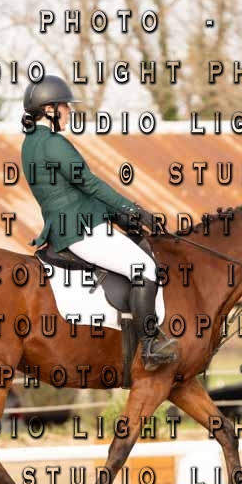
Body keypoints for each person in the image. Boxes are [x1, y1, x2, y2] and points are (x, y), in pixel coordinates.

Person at [21, 75, 177, 370]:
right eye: (65, 106)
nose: (69, 111)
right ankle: (150, 345)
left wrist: (119, 216)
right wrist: (133, 209)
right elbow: (89, 184)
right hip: (81, 230)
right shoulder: (53, 143)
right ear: (50, 109)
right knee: (144, 268)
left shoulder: (30, 144)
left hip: (66, 226)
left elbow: (72, 193)